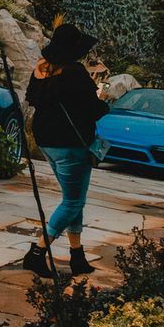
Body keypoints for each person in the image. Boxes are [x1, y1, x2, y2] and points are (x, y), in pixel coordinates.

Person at [22, 23, 107, 278]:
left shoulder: (40, 69)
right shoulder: (75, 72)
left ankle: (77, 255)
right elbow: (93, 109)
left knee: (73, 197)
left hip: (46, 142)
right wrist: (102, 99)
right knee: (73, 201)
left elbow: (32, 99)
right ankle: (36, 254)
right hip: (72, 144)